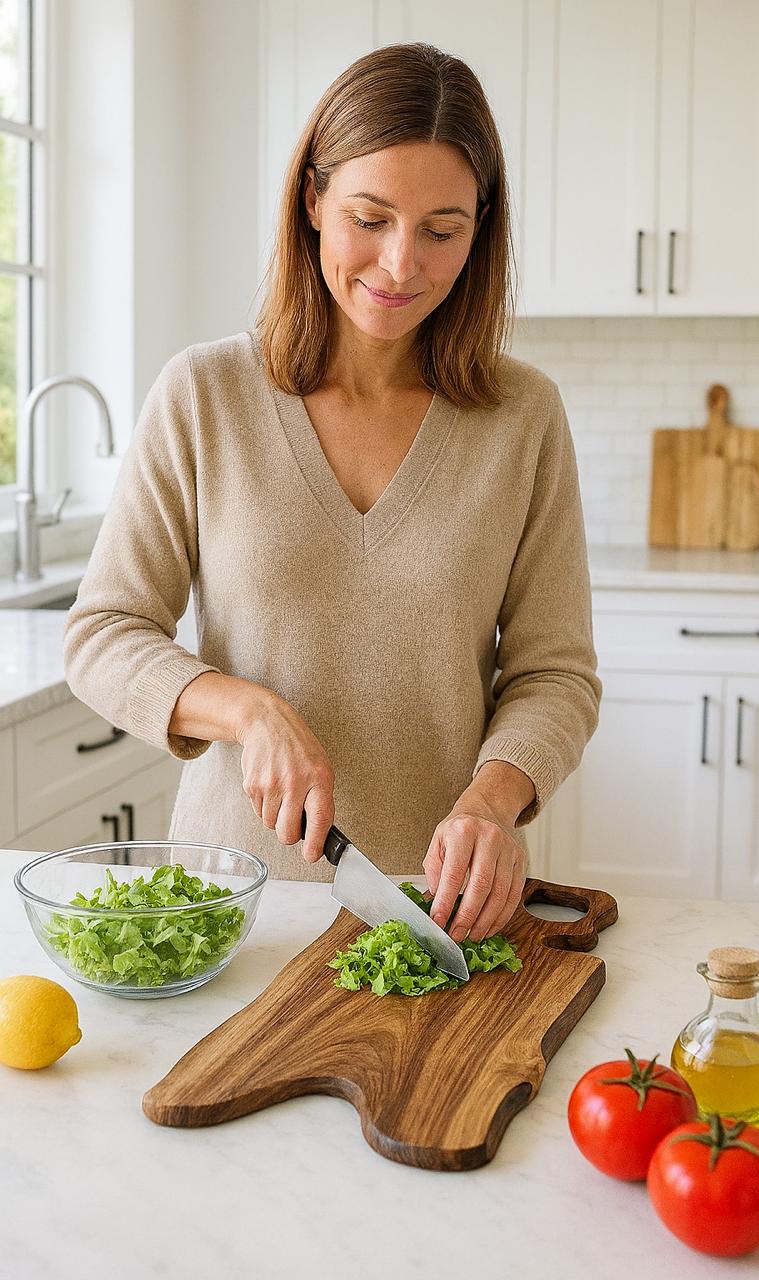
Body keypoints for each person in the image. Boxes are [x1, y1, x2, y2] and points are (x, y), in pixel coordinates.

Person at [64, 42, 601, 945]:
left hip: (436, 914)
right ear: (312, 200)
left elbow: (555, 675)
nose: (400, 265)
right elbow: (101, 636)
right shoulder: (205, 395)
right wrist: (246, 708)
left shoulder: (523, 417)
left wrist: (494, 799)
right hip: (229, 908)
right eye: (369, 217)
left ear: (481, 230)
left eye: (441, 230)